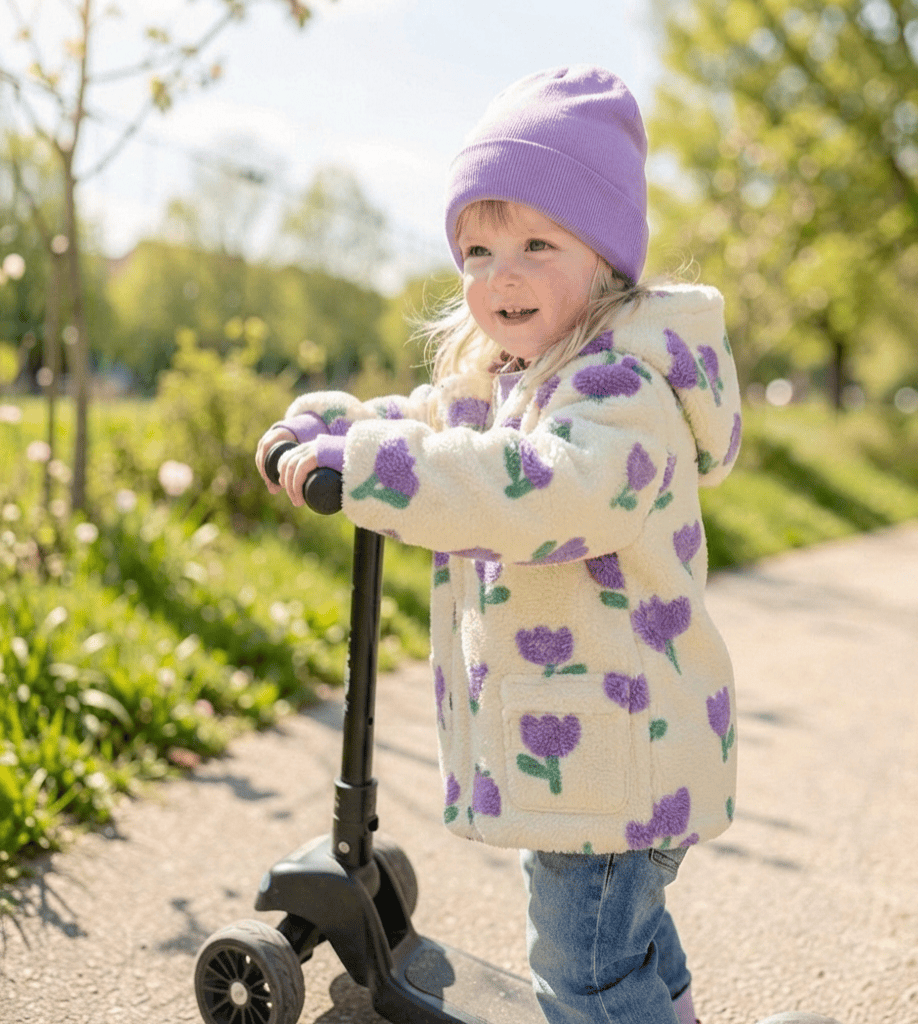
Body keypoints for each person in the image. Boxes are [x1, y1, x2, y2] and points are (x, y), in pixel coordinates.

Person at [256, 65, 741, 1024]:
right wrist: (340, 425)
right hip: (595, 757)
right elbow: (436, 423)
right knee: (622, 939)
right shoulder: (523, 374)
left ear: (605, 257)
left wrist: (374, 471)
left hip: (617, 757)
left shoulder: (620, 396)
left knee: (588, 970)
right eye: (476, 250)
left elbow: (532, 491)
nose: (500, 273)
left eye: (535, 243)